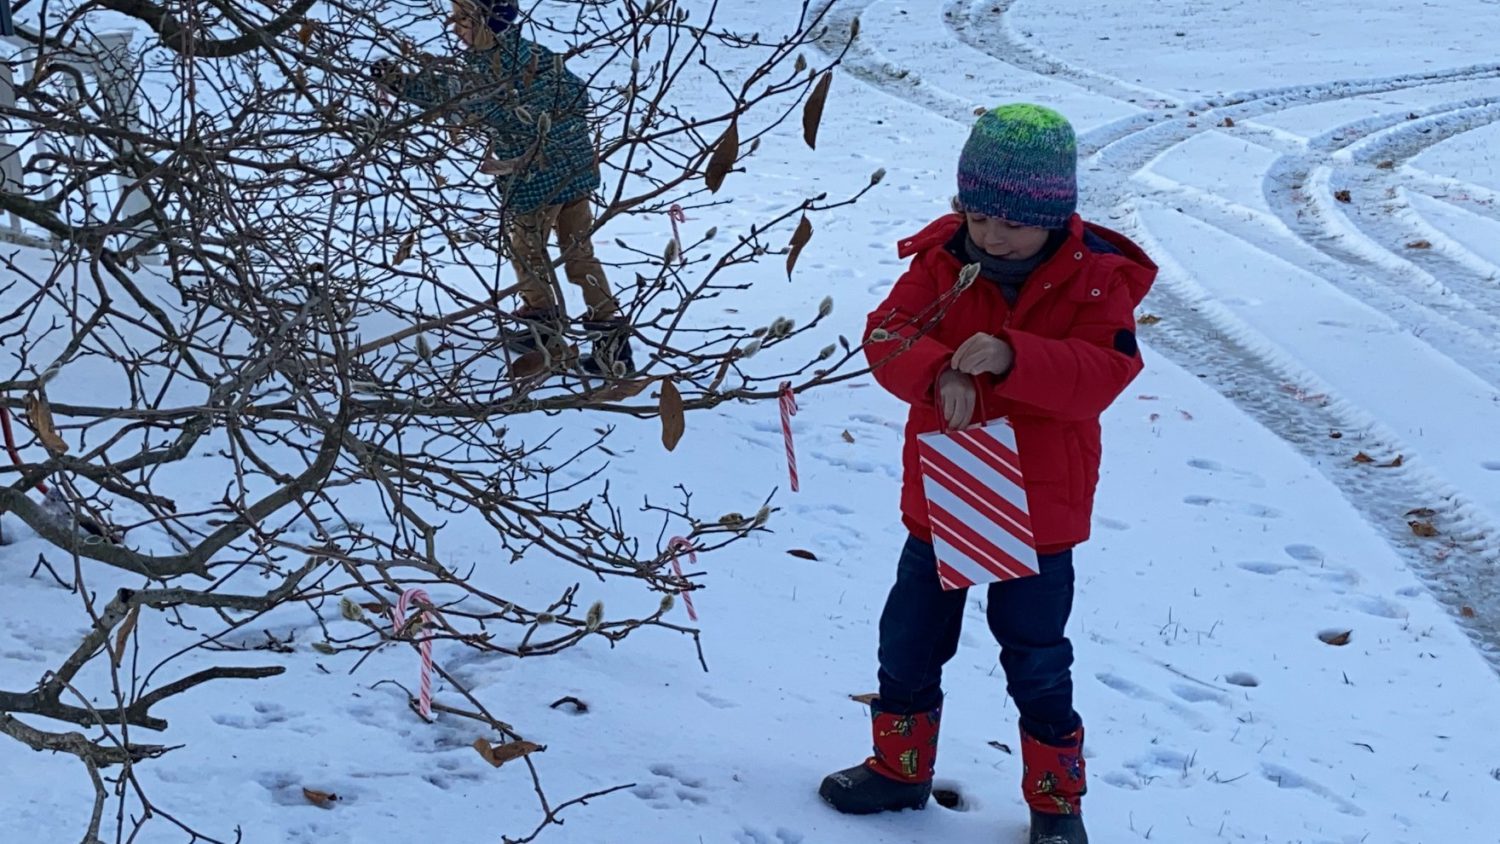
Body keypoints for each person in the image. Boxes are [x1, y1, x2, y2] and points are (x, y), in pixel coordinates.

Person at [820, 104, 1158, 844]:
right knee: (908, 640)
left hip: (1039, 516)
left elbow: (1104, 373)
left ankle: (1055, 804)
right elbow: (886, 333)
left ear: (1053, 212)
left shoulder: (1098, 283)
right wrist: (936, 369)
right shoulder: (941, 263)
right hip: (947, 501)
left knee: (1036, 660)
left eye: (1012, 219)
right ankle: (899, 768)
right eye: (978, 214)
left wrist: (1011, 357)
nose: (993, 233)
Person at [372, 0, 633, 375]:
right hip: (575, 168)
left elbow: (450, 97)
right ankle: (611, 344)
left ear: (488, 23)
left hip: (536, 179)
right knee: (579, 255)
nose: (454, 26)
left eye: (463, 19)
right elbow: (577, 93)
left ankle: (545, 327)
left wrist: (399, 82)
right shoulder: (533, 53)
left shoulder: (488, 69)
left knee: (527, 250)